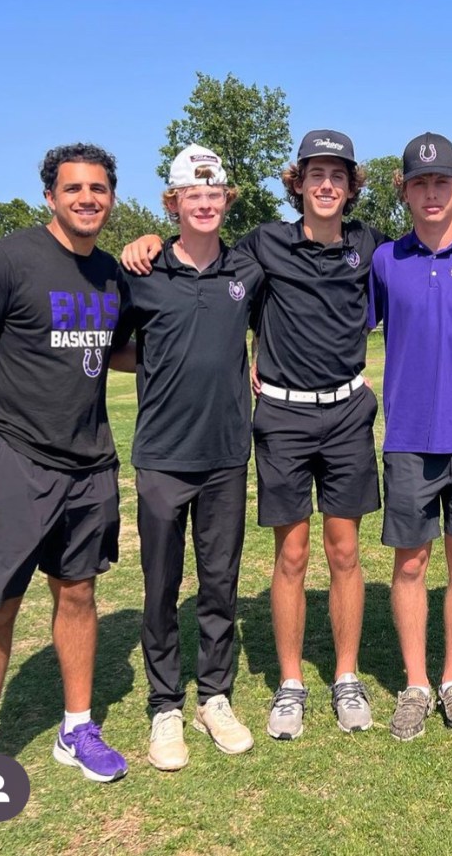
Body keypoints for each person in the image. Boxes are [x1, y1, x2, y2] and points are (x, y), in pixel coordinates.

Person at [122, 130, 383, 739]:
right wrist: (149, 240)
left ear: (351, 187)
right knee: (290, 555)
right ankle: (289, 685)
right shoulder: (263, 245)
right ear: (298, 182)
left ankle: (345, 677)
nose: (326, 185)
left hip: (347, 414)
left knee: (345, 552)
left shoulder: (370, 244)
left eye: (337, 175)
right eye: (315, 174)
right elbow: (195, 253)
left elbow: (424, 257)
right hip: (282, 419)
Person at [0, 143, 128, 834]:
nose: (87, 198)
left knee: (78, 593)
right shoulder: (6, 260)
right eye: (74, 188)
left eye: (98, 188)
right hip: (11, 458)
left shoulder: (111, 272)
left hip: (89, 463)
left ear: (111, 197)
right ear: (50, 195)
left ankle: (76, 728)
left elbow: (122, 349)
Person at [116, 146, 264, 770]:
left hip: (226, 452)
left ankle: (215, 697)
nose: (204, 204)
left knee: (219, 582)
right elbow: (117, 348)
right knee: (160, 585)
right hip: (161, 453)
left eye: (214, 194)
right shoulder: (142, 270)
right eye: (191, 196)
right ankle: (164, 705)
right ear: (173, 202)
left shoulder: (248, 268)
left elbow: (274, 326)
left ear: (226, 199)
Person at [368, 133, 452, 741]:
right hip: (407, 437)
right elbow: (344, 324)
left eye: (441, 182)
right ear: (404, 190)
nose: (431, 192)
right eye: (420, 182)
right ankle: (416, 685)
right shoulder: (385, 260)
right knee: (411, 563)